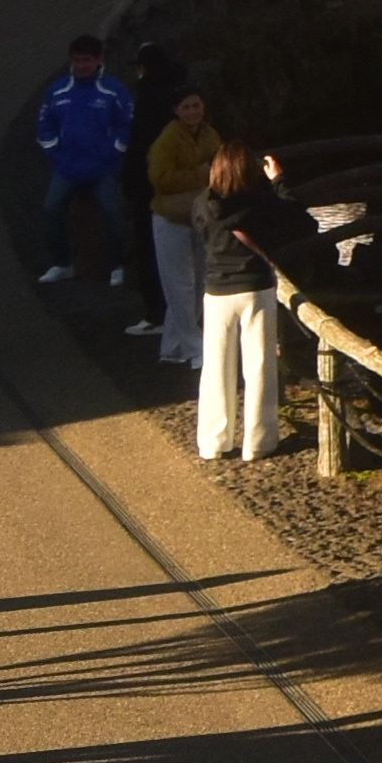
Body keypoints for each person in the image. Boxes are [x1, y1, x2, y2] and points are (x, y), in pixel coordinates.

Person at [188, 120, 289, 460]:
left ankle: (214, 441)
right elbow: (292, 216)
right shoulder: (256, 202)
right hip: (254, 287)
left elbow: (202, 237)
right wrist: (278, 182)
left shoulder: (202, 203)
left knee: (216, 367)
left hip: (217, 289)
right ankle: (258, 441)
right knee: (259, 366)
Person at [31, 34, 137, 286]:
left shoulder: (115, 90)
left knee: (112, 212)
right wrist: (57, 155)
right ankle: (62, 263)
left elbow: (127, 125)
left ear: (98, 60)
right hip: (68, 167)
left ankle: (118, 265)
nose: (81, 66)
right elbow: (44, 125)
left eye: (86, 61)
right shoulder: (57, 90)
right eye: (77, 61)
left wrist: (111, 154)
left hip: (103, 169)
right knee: (51, 209)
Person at [141, 83, 219, 367]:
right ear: (176, 110)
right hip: (170, 218)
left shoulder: (209, 134)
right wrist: (200, 173)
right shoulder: (167, 139)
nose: (192, 112)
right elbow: (160, 179)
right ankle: (195, 346)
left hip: (199, 216)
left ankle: (173, 348)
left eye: (195, 106)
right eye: (185, 107)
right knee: (179, 285)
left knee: (198, 284)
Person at [116, 41, 188, 334]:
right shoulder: (179, 95)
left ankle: (157, 315)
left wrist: (130, 181)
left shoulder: (147, 99)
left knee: (148, 251)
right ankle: (182, 313)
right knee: (185, 259)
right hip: (183, 187)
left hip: (152, 189)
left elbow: (139, 146)